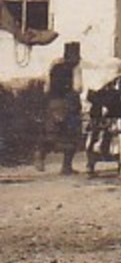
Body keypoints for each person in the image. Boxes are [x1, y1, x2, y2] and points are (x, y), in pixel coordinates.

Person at [38, 43, 83, 175]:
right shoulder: (75, 68)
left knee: (52, 133)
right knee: (72, 135)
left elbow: (46, 87)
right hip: (69, 104)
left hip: (53, 102)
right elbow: (77, 88)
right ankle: (66, 166)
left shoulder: (54, 66)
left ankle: (40, 154)